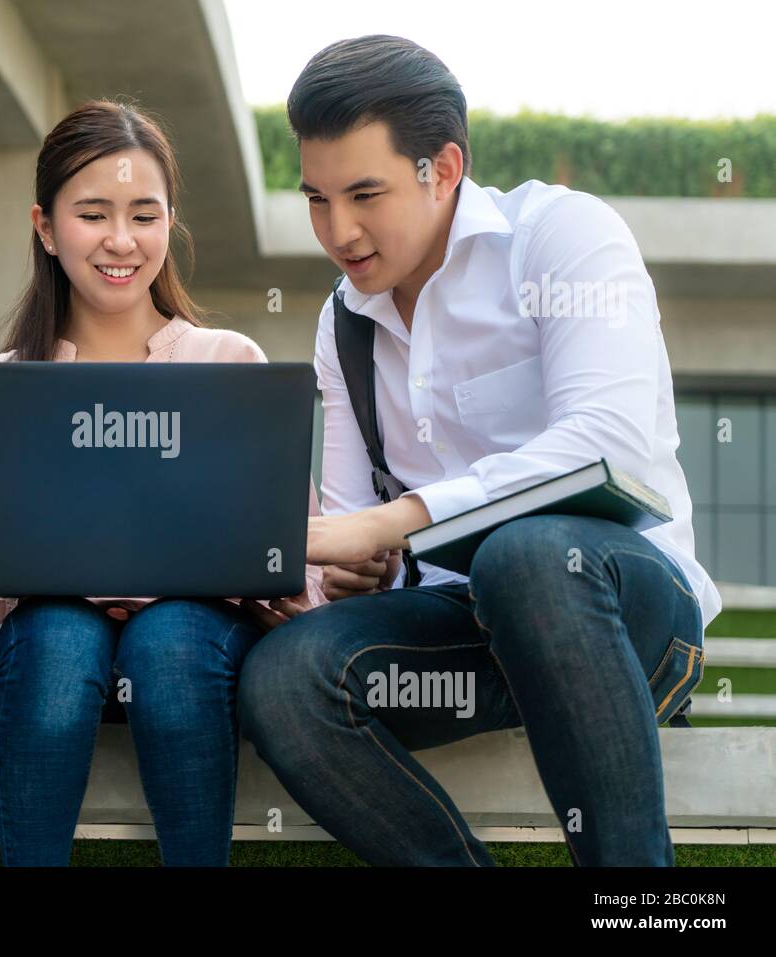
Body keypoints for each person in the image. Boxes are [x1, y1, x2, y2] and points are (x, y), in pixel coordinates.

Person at [238, 35, 720, 866]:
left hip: (621, 614)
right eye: (316, 198)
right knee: (282, 678)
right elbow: (360, 530)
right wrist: (348, 573)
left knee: (527, 555)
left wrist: (396, 522)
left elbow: (607, 443)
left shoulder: (562, 239)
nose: (338, 231)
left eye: (364, 194)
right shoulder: (344, 321)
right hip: (463, 634)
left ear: (444, 167)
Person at [0, 100, 324, 867]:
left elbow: (294, 551)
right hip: (47, 639)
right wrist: (76, 582)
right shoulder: (3, 387)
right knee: (56, 637)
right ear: (46, 228)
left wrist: (167, 584)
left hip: (196, 636)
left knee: (169, 639)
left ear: (168, 224)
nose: (121, 240)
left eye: (144, 215)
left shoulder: (228, 363)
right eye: (93, 214)